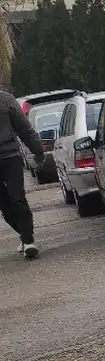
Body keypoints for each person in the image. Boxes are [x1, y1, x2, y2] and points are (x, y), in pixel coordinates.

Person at [0, 89, 43, 259]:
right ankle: (23, 234)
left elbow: (24, 128)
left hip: (10, 157)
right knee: (4, 206)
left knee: (17, 198)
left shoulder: (5, 99)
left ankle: (29, 241)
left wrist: (38, 151)